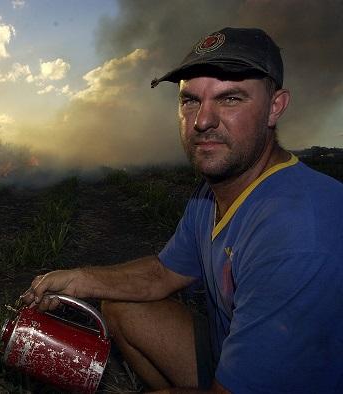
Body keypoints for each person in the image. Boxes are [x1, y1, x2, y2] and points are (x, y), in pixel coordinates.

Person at [20, 27, 343, 393]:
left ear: (275, 107)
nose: (203, 121)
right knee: (122, 306)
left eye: (230, 98)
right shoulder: (211, 193)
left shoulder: (297, 234)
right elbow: (162, 274)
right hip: (232, 348)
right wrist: (77, 278)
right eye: (190, 101)